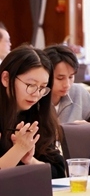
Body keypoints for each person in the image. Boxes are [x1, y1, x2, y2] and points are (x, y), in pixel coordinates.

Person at [0, 46, 65, 178]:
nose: (36, 94)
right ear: (6, 78)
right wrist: (18, 149)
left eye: (42, 87)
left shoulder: (38, 114)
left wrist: (30, 161)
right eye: (30, 85)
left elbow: (58, 173)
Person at [44, 45, 90, 124]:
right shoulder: (35, 98)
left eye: (71, 77)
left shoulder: (78, 92)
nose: (67, 84)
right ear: (45, 75)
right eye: (60, 78)